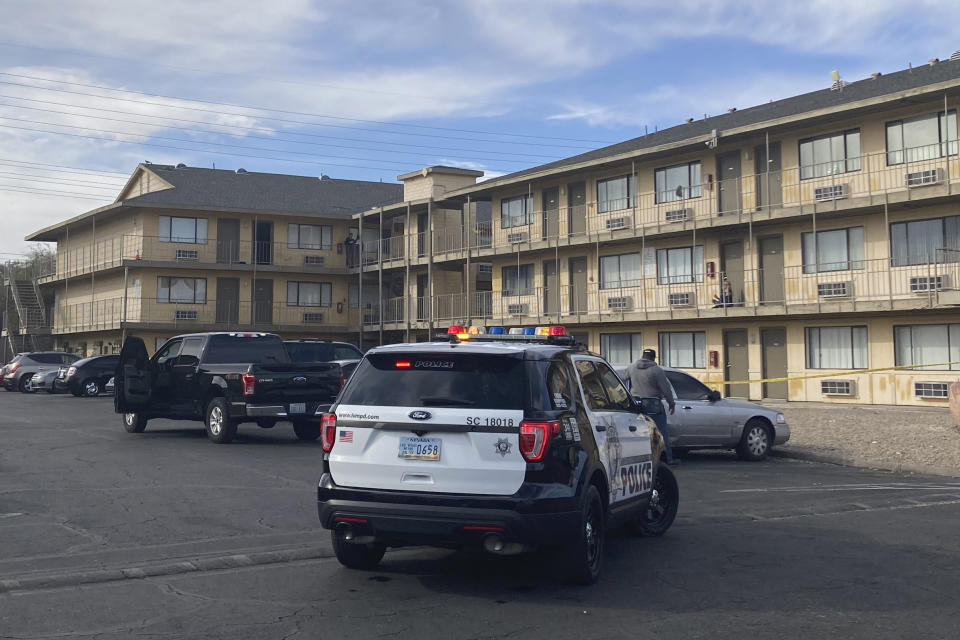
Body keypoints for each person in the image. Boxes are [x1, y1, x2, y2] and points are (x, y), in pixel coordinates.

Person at [627, 348, 678, 465]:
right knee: (661, 432)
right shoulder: (656, 370)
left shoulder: (631, 368)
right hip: (653, 405)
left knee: (637, 432)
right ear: (653, 358)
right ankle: (668, 459)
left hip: (636, 404)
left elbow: (622, 380)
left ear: (642, 356)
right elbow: (666, 389)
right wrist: (671, 403)